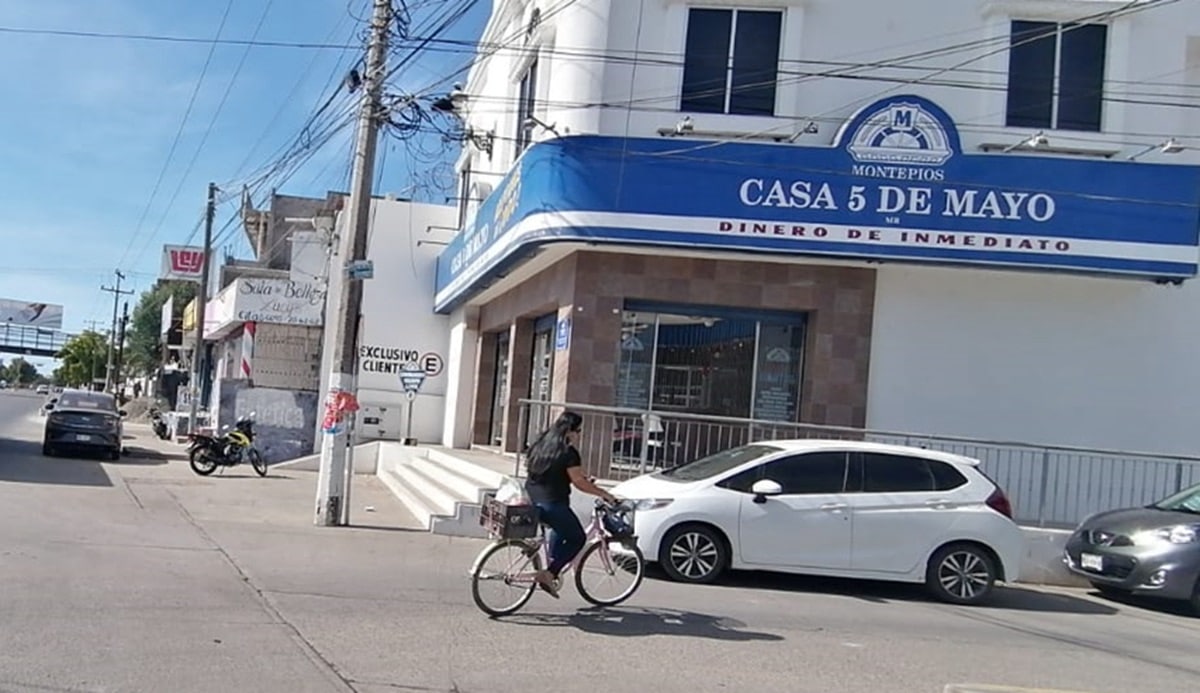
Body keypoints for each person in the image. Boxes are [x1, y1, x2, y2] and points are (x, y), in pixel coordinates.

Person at [523, 411, 617, 598]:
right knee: (577, 539)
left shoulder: (540, 444)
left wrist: (581, 479)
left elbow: (553, 472)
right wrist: (604, 494)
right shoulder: (568, 452)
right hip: (553, 504)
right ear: (570, 432)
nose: (579, 435)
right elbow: (579, 483)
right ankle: (549, 573)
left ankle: (551, 564)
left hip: (533, 499)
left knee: (560, 528)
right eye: (579, 431)